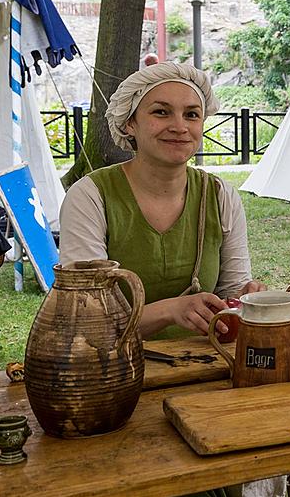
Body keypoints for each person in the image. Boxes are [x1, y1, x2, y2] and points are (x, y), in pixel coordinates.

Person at [59, 63, 265, 340]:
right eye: (161, 112)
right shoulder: (90, 196)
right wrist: (170, 310)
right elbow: (87, 315)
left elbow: (232, 290)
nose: (179, 127)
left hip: (204, 359)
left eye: (192, 115)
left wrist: (243, 298)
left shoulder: (219, 195)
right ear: (129, 123)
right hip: (112, 367)